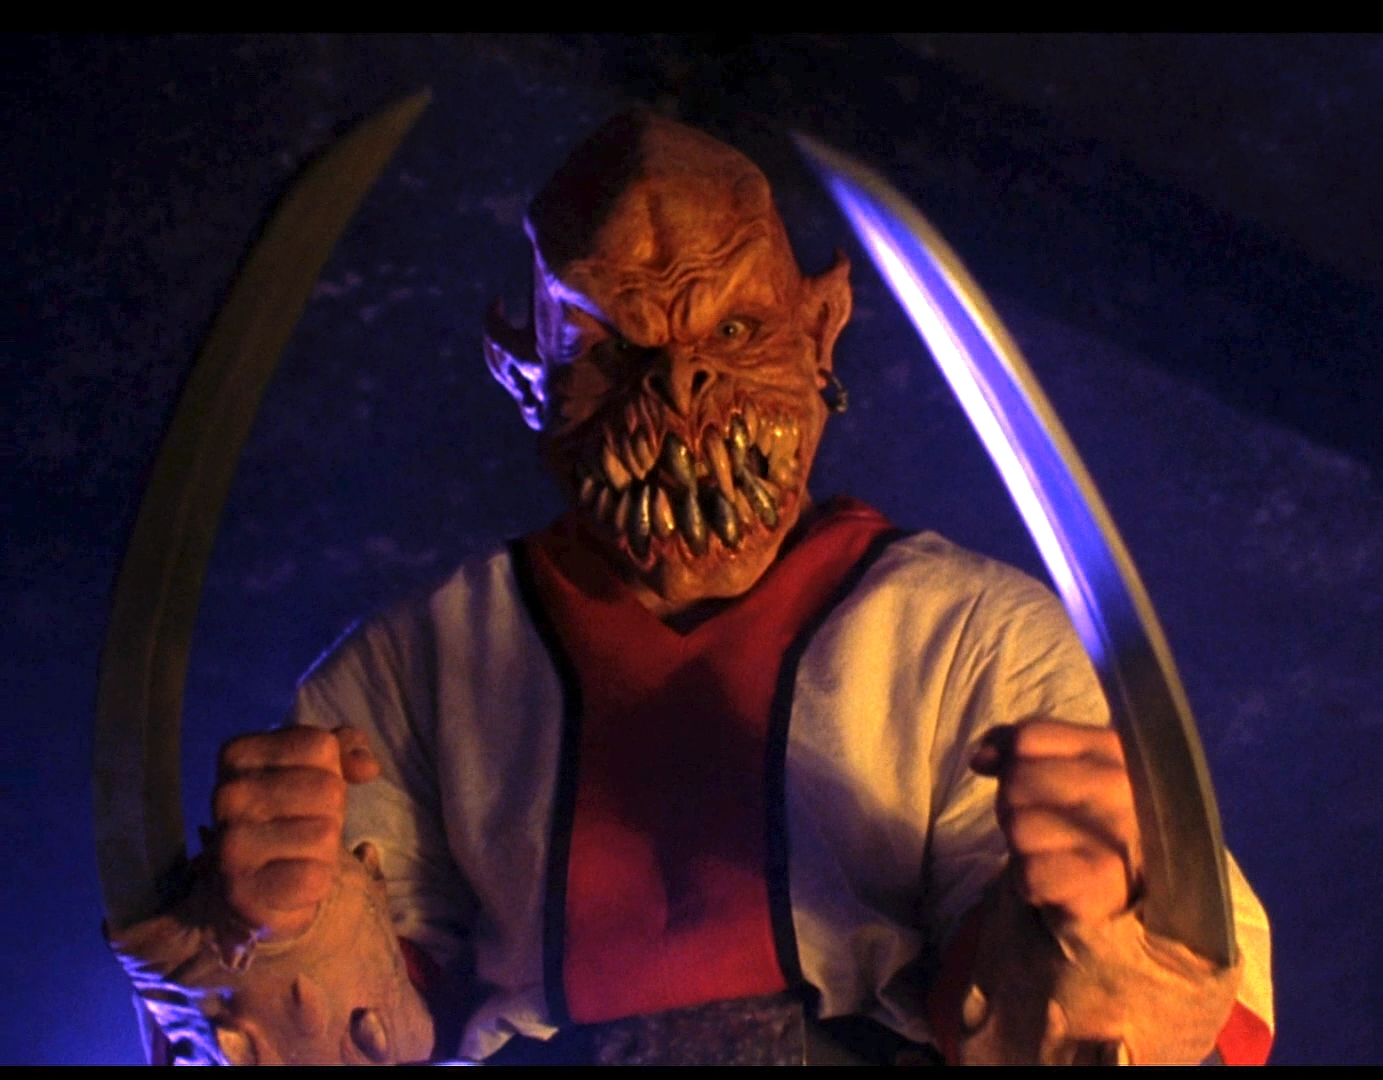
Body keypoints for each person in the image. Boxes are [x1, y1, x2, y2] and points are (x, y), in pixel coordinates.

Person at [111, 110, 1274, 1065]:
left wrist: (1097, 926)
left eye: (739, 326)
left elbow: (1139, 1014)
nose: (680, 393)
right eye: (612, 349)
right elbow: (340, 1030)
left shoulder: (973, 635)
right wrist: (280, 931)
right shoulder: (409, 675)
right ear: (528, 376)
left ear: (822, 329)